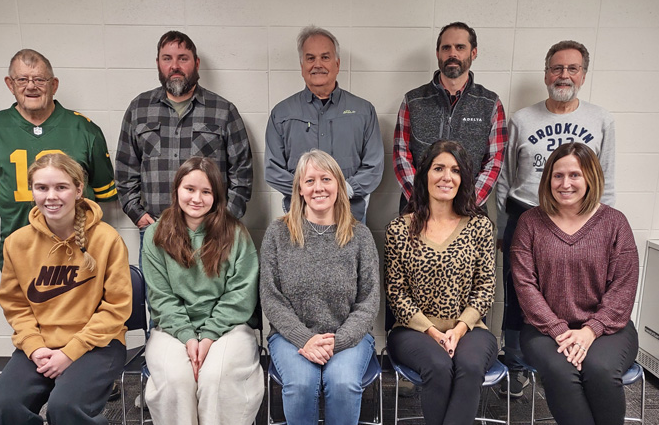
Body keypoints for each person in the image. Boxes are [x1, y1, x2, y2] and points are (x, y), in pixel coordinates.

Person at [0, 152, 131, 425]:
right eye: (42, 187)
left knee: (67, 406)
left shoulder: (105, 239)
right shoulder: (17, 243)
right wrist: (35, 350)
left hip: (97, 345)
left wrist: (70, 352)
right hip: (40, 348)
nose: (52, 196)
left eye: (61, 186)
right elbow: (16, 307)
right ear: (31, 191)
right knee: (2, 407)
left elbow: (117, 309)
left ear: (79, 190)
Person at [511, 142, 647, 425]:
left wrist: (590, 331)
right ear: (547, 179)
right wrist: (558, 331)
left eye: (574, 175)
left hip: (608, 327)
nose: (566, 183)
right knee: (561, 372)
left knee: (601, 371)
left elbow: (624, 286)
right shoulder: (531, 223)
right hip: (543, 330)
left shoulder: (614, 222)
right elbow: (525, 285)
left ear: (590, 178)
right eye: (558, 175)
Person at [141, 157, 263, 425]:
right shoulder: (156, 234)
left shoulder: (235, 233)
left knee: (216, 380)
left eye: (205, 191)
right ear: (176, 190)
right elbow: (160, 297)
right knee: (176, 381)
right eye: (189, 189)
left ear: (217, 195)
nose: (196, 197)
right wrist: (187, 336)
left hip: (229, 330)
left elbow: (241, 296)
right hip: (172, 330)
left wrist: (208, 335)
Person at [385, 140, 497, 425]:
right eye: (438, 168)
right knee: (437, 366)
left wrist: (460, 328)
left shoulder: (481, 226)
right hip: (414, 331)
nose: (446, 176)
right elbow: (395, 292)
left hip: (470, 329)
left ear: (464, 177)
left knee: (467, 365)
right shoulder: (401, 226)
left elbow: (486, 289)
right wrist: (432, 331)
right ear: (424, 176)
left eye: (454, 169)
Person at [260, 149, 380, 425]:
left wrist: (337, 341)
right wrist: (304, 339)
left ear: (339, 185)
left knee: (342, 382)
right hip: (291, 336)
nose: (318, 187)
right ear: (298, 188)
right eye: (309, 180)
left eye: (326, 179)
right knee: (301, 383)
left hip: (348, 337)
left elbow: (369, 300)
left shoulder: (359, 236)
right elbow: (270, 297)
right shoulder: (278, 234)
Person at [496, 40, 616, 398]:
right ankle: (516, 367)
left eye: (572, 68)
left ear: (583, 74)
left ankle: (568, 357)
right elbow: (504, 177)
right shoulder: (522, 119)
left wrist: (606, 228)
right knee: (520, 294)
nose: (563, 75)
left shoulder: (601, 120)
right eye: (556, 68)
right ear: (546, 72)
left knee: (578, 291)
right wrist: (505, 225)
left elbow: (606, 178)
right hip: (526, 215)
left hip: (581, 220)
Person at [0, 49, 117, 269]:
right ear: (10, 84)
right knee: (21, 304)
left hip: (78, 250)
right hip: (22, 251)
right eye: (22, 79)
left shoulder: (86, 130)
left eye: (39, 79)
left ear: (54, 85)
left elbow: (99, 193)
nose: (31, 86)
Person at [116, 30, 253, 257]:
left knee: (213, 292)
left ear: (196, 63)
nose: (175, 66)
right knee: (157, 294)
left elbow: (242, 172)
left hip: (211, 233)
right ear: (158, 63)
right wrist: (138, 215)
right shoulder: (139, 109)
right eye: (167, 58)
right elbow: (125, 170)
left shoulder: (223, 111)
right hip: (156, 231)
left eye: (183, 58)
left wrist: (226, 220)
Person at [265, 26, 383, 223]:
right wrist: (309, 192)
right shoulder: (281, 114)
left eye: (325, 57)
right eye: (310, 58)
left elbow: (374, 168)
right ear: (302, 66)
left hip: (351, 218)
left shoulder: (364, 111)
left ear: (337, 64)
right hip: (299, 219)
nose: (317, 64)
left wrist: (340, 191)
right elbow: (272, 170)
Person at [393, 22, 506, 213]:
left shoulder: (490, 103)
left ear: (473, 53)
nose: (452, 53)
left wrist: (467, 203)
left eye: (460, 47)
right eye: (446, 48)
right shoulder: (413, 100)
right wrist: (422, 200)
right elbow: (401, 155)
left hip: (471, 211)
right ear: (438, 53)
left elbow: (494, 162)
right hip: (418, 210)